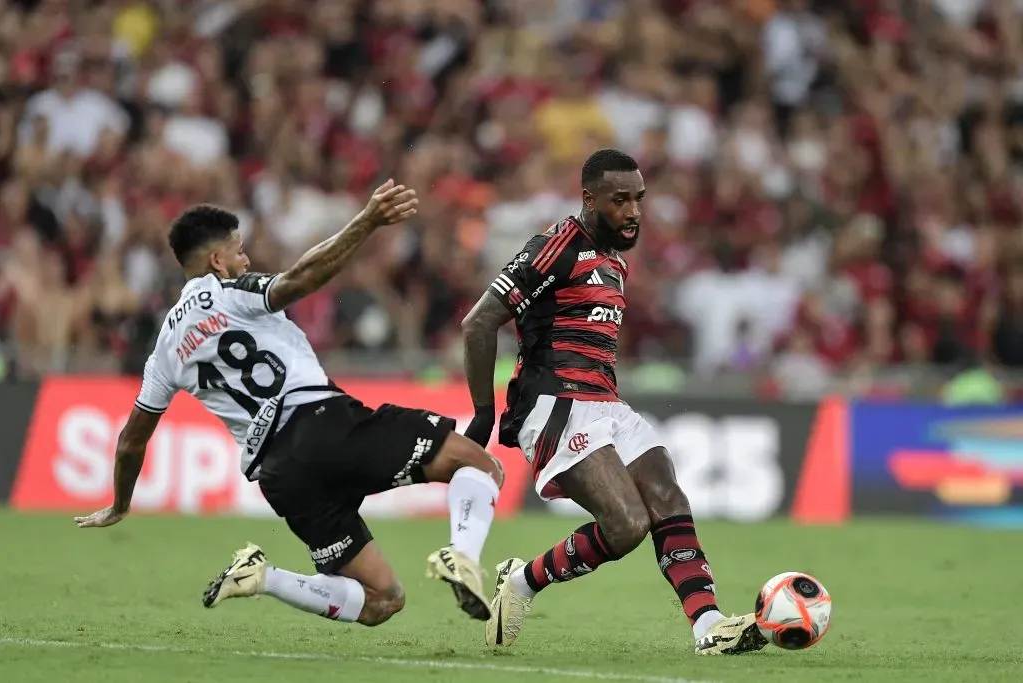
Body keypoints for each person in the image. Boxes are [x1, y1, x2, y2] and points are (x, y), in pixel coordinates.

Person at [74, 181, 504, 628]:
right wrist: (368, 221)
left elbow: (129, 443)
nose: (246, 260)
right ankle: (464, 557)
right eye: (239, 251)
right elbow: (301, 278)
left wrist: (120, 503)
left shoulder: (164, 347)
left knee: (381, 600)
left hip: (282, 475)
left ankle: (264, 577)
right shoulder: (228, 290)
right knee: (479, 463)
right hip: (322, 424)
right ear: (216, 261)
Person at [461, 149, 766, 655]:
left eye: (639, 199)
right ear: (589, 199)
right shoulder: (557, 246)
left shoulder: (616, 263)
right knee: (625, 526)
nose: (633, 211)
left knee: (668, 495)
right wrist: (483, 414)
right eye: (620, 200)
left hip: (607, 404)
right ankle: (519, 583)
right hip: (555, 405)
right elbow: (478, 323)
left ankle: (708, 626)